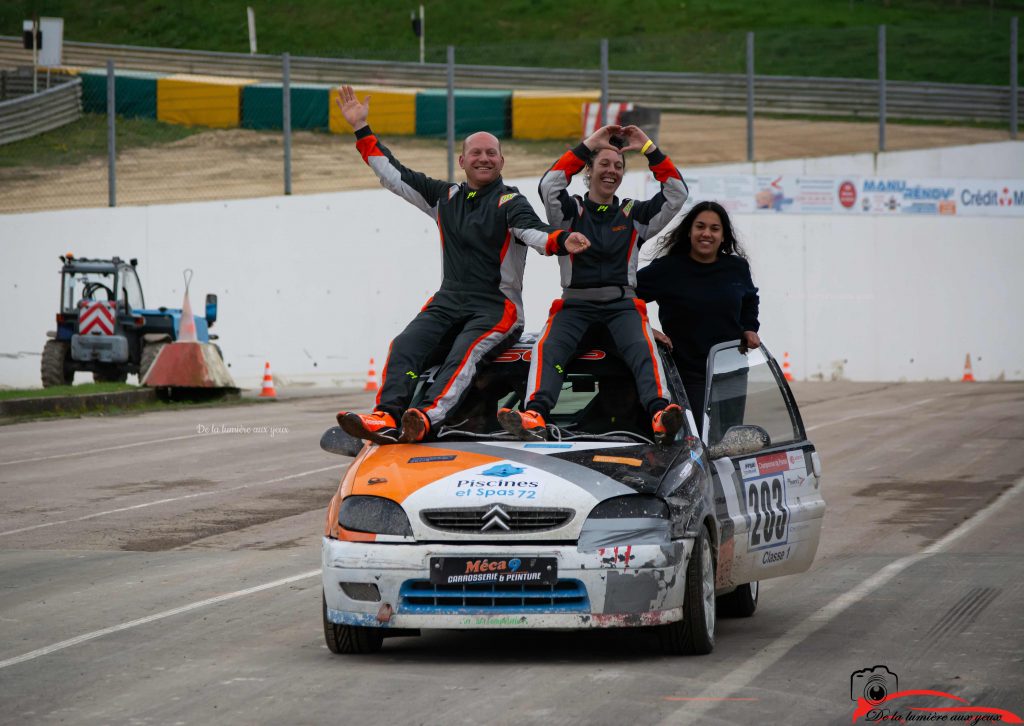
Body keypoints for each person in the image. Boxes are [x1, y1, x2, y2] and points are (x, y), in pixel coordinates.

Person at [333, 85, 591, 444]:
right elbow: (394, 176)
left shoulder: (510, 202)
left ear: (501, 162)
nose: (483, 158)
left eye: (491, 154)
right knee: (405, 345)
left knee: (463, 353)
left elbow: (534, 233)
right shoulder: (445, 197)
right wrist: (362, 129)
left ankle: (425, 417)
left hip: (497, 308)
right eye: (476, 153)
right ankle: (386, 416)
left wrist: (561, 240)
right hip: (449, 300)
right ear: (462, 161)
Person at [497, 123, 689, 444]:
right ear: (589, 169)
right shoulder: (570, 210)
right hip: (575, 305)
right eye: (603, 163)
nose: (611, 170)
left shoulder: (634, 215)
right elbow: (549, 185)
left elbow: (676, 193)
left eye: (618, 166)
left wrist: (647, 148)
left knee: (644, 350)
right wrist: (589, 144)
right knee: (548, 349)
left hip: (623, 306)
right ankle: (535, 415)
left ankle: (660, 414)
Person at [635, 200, 760, 434]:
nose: (706, 234)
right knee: (697, 441)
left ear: (723, 236)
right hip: (688, 374)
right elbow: (625, 296)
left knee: (728, 442)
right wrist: (645, 328)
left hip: (731, 370)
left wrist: (749, 327)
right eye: (700, 226)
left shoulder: (736, 267)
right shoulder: (668, 269)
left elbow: (750, 299)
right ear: (689, 232)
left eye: (714, 228)